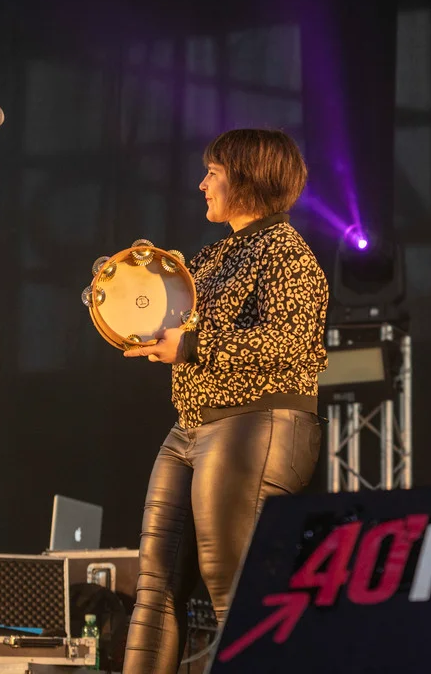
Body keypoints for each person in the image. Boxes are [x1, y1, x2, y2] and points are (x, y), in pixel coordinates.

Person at [121, 129, 328, 673]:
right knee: (154, 588)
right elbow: (179, 327)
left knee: (234, 586)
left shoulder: (286, 251)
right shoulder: (213, 255)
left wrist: (190, 346)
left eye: (212, 173)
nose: (201, 184)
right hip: (191, 426)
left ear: (247, 178)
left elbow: (287, 343)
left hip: (254, 423)